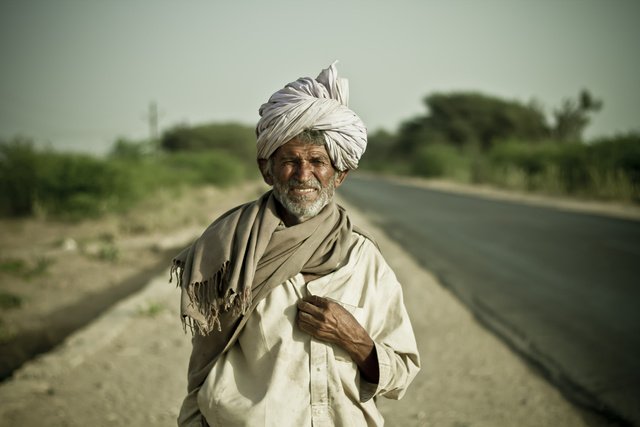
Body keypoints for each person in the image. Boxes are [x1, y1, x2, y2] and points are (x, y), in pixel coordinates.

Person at [172, 62, 420, 427]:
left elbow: (402, 373)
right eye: (290, 161)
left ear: (340, 174)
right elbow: (205, 363)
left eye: (317, 161)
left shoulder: (363, 259)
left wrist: (356, 341)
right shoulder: (229, 251)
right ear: (267, 170)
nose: (304, 175)